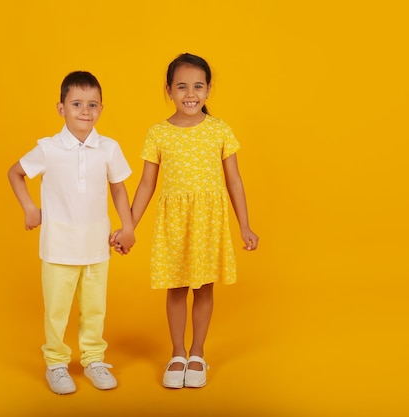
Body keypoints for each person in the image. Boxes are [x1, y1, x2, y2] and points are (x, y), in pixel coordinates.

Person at [112, 53, 258, 388]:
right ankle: (177, 353)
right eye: (181, 86)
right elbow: (147, 183)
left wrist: (245, 225)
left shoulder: (220, 129)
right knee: (176, 286)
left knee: (204, 284)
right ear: (169, 90)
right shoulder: (158, 133)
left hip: (208, 218)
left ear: (208, 90)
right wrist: (128, 226)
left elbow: (234, 180)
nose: (190, 93)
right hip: (175, 220)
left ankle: (197, 353)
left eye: (197, 86)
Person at [8, 71, 135, 395]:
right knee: (57, 310)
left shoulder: (108, 148)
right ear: (61, 108)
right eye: (77, 103)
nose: (85, 111)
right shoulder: (48, 149)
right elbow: (16, 173)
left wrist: (128, 226)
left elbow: (118, 189)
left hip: (96, 247)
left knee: (94, 309)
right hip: (58, 248)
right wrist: (29, 208)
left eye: (92, 104)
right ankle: (56, 364)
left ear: (101, 109)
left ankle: (93, 359)